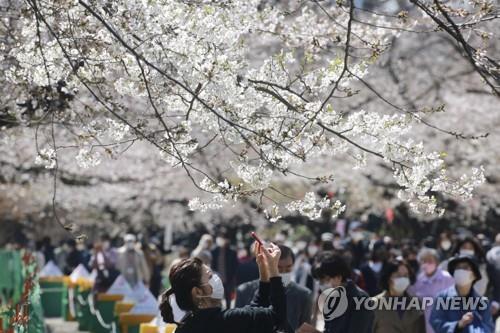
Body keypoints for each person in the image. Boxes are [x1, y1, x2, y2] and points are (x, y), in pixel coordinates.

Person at [159, 242, 287, 333]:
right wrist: (274, 271)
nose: (216, 278)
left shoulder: (185, 326)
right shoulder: (226, 320)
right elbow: (277, 317)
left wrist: (264, 275)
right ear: (197, 292)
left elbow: (253, 312)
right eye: (209, 276)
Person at [235, 245, 313, 333]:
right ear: (267, 265)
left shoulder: (303, 295)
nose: (283, 272)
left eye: (288, 268)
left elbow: (306, 328)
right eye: (278, 268)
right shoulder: (245, 291)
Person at [297, 251, 374, 333]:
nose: (322, 285)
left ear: (338, 277)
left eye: (324, 280)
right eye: (319, 281)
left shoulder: (360, 300)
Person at [430, 254, 495, 333]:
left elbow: (488, 327)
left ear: (474, 275)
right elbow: (436, 322)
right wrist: (459, 324)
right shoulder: (442, 297)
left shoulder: (482, 302)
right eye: (458, 268)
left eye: (465, 268)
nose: (461, 271)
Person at [372, 259, 426, 333]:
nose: (403, 278)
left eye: (406, 275)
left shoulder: (417, 304)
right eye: (398, 275)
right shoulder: (373, 304)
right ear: (388, 278)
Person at [408, 248, 454, 333]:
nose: (427, 263)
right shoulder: (417, 281)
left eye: (430, 260)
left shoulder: (448, 279)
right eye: (424, 261)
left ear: (436, 262)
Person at [211, 231, 239, 308]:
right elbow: (212, 265)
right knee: (217, 297)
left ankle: (228, 311)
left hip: (228, 278)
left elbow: (235, 265)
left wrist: (233, 277)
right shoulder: (214, 251)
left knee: (228, 297)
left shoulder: (232, 252)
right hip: (217, 277)